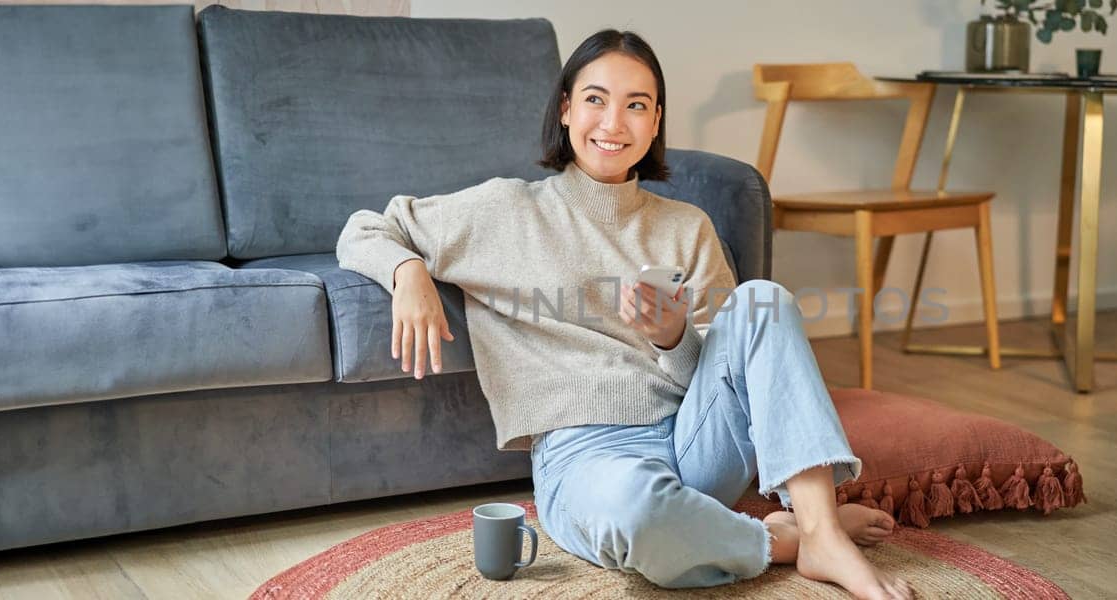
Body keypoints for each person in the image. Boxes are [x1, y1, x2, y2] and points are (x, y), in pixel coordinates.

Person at [335, 29, 912, 600]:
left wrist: (673, 336)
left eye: (636, 105)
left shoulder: (688, 227)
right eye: (595, 99)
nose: (613, 123)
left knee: (764, 299)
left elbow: (728, 376)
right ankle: (776, 539)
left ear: (656, 121)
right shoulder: (505, 210)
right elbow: (367, 228)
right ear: (565, 110)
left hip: (694, 438)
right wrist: (406, 273)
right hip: (586, 459)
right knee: (640, 516)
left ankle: (820, 529)